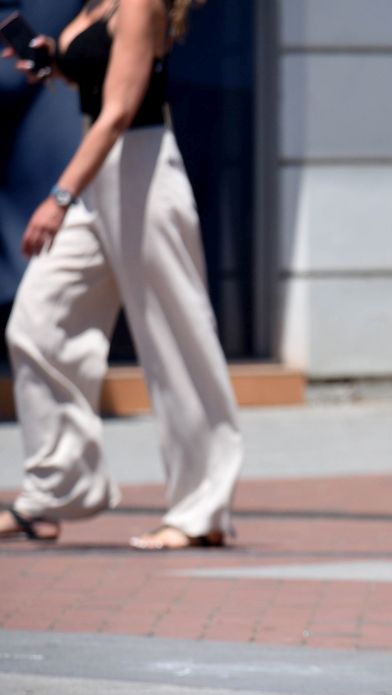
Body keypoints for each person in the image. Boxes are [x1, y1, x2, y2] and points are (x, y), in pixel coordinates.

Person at [0, 0, 242, 549]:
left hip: (142, 175)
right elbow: (90, 72)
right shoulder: (96, 5)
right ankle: (56, 491)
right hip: (99, 185)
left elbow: (119, 111)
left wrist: (59, 197)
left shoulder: (139, 3)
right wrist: (51, 61)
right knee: (36, 325)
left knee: (176, 345)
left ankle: (201, 510)